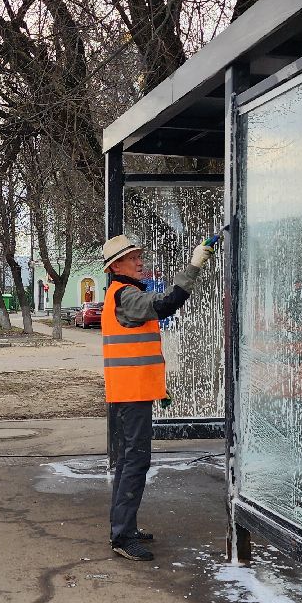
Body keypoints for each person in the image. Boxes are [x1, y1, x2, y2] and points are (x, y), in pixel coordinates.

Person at [101, 232, 213, 561]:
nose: (140, 261)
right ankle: (122, 535)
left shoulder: (123, 294)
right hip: (131, 392)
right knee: (135, 461)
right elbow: (166, 304)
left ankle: (123, 528)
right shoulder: (125, 296)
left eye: (139, 256)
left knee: (127, 461)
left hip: (131, 390)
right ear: (116, 265)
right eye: (133, 257)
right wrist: (193, 267)